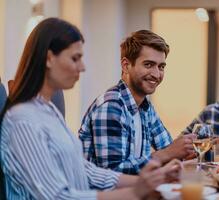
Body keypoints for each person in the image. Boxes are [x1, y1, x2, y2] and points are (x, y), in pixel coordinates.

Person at [0, 18, 178, 200]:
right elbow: (58, 197)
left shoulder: (48, 110)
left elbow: (86, 171)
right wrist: (135, 192)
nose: (82, 67)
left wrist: (150, 180)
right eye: (75, 58)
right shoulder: (23, 119)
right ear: (49, 58)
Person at [79, 30, 196, 174]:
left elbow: (169, 150)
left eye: (161, 67)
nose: (156, 74)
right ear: (126, 65)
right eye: (148, 65)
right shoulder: (111, 106)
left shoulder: (145, 107)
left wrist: (192, 151)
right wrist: (168, 154)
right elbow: (111, 174)